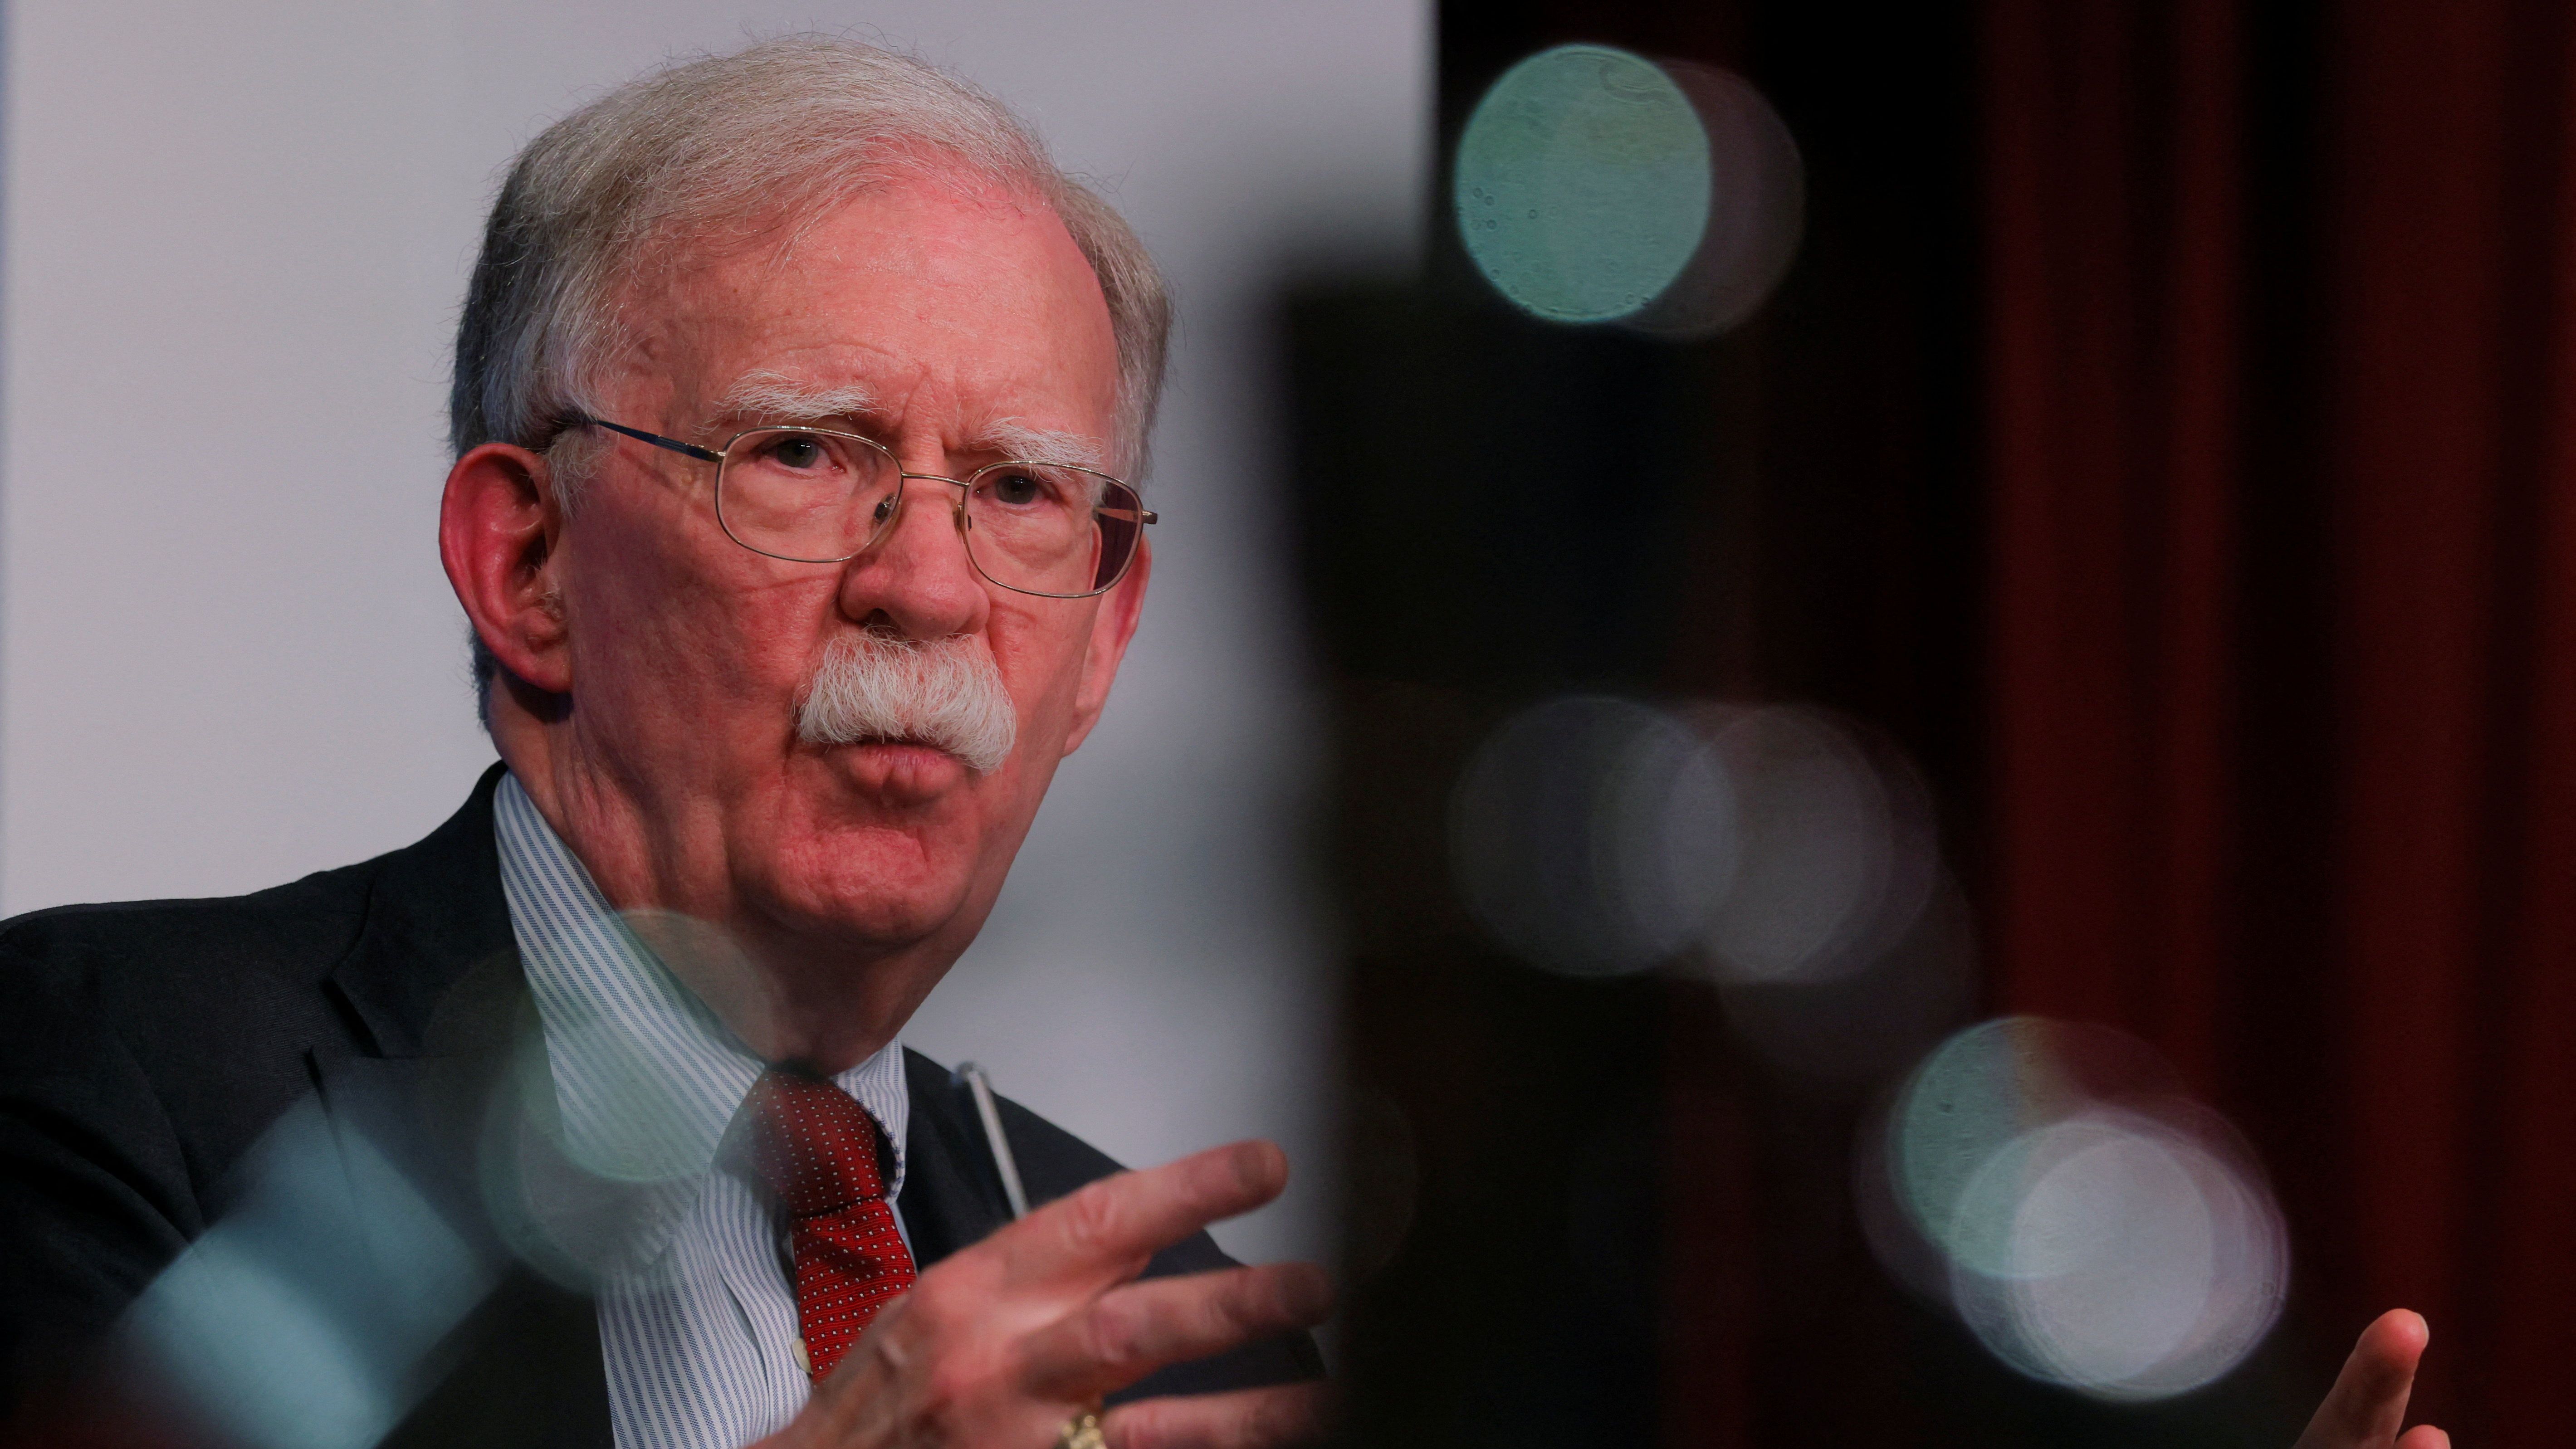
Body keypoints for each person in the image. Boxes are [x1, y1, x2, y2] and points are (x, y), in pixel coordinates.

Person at [0, 34, 2444, 1449]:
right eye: (810, 453)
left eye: (1032, 498)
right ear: (525, 560)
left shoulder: (1153, 1289)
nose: (936, 586)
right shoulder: (105, 1079)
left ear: (1113, 630)